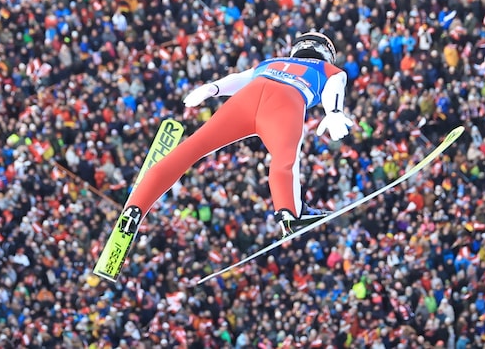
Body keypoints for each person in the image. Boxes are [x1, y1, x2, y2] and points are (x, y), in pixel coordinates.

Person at [117, 31, 353, 237]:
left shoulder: (272, 61)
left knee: (192, 148)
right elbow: (335, 83)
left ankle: (136, 205)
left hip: (247, 98)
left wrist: (213, 88)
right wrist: (333, 111)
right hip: (287, 100)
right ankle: (290, 213)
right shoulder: (326, 68)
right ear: (326, 52)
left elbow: (240, 79)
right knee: (284, 160)